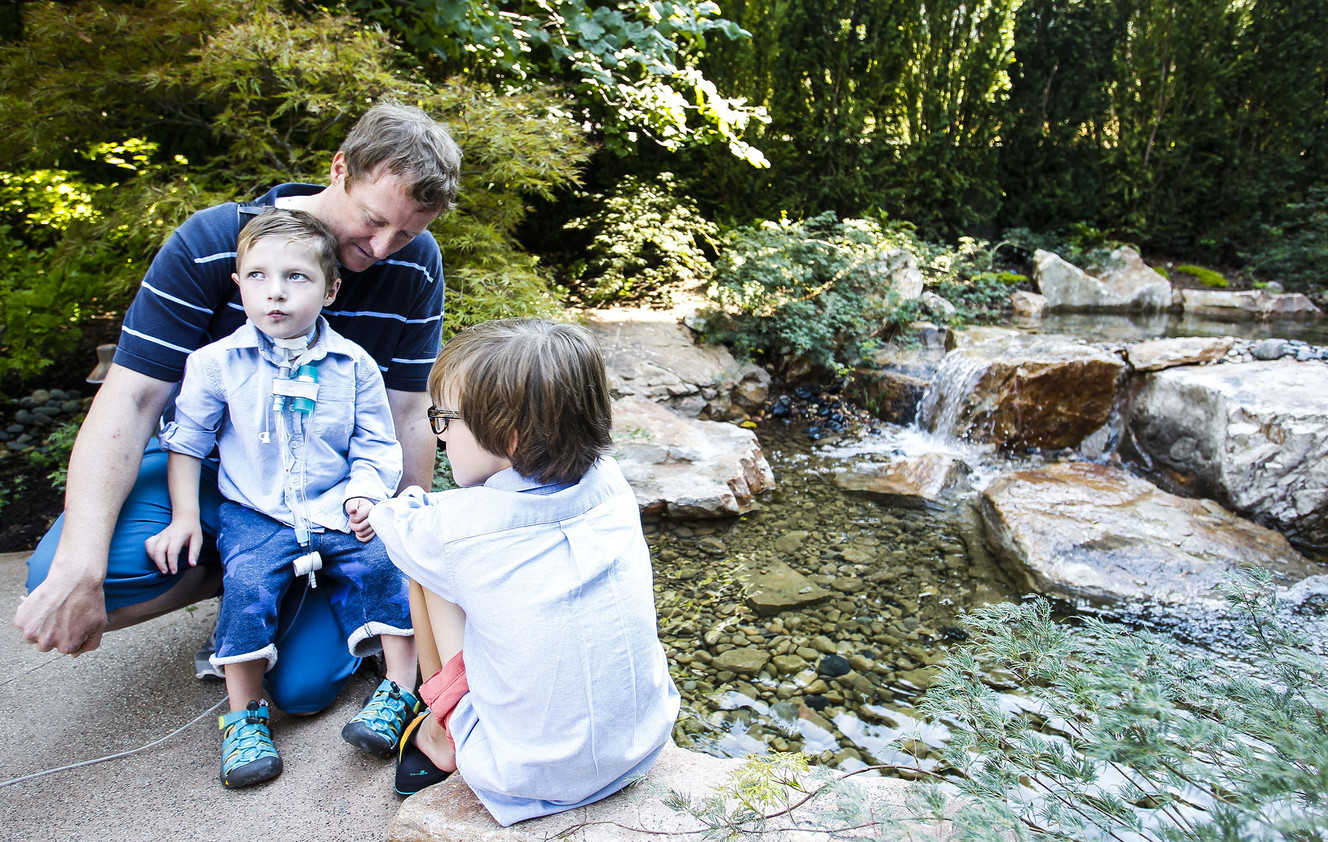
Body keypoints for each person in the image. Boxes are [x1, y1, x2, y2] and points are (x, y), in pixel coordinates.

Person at [16, 101, 461, 718]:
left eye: (407, 233)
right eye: (373, 221)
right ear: (340, 169)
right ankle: (245, 574)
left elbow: (407, 413)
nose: (383, 248)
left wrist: (402, 542)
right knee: (61, 578)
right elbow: (133, 396)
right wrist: (80, 564)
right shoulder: (213, 242)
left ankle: (286, 589)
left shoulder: (416, 265)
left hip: (329, 488)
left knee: (303, 688)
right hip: (210, 468)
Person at [145, 208, 420, 787]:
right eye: (259, 277)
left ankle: (399, 691)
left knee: (382, 566)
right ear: (238, 283)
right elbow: (187, 442)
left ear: (331, 289)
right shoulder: (216, 364)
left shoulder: (354, 365)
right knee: (245, 587)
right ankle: (243, 718)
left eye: (297, 277)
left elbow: (378, 442)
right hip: (257, 511)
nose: (276, 293)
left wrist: (367, 493)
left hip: (333, 504)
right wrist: (186, 516)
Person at [366, 319, 680, 825]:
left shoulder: (452, 528)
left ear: (510, 437)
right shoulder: (614, 486)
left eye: (443, 419)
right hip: (640, 746)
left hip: (525, 778)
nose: (439, 436)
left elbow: (393, 521)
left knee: (423, 567)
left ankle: (441, 733)